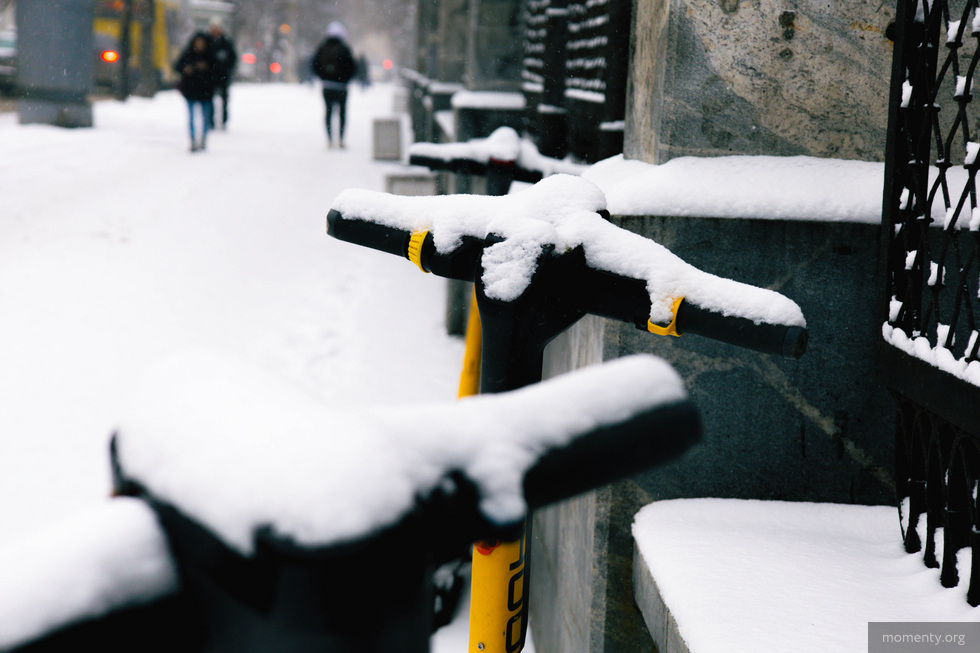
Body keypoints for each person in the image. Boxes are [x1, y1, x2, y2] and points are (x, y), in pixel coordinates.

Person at [312, 22, 356, 148]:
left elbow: (315, 65)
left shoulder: (323, 48)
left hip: (327, 86)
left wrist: (323, 77)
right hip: (342, 87)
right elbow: (352, 67)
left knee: (328, 112)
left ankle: (329, 139)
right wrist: (345, 79)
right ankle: (341, 139)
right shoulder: (345, 48)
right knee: (342, 113)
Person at [174, 32, 216, 152]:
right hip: (191, 91)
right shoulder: (188, 54)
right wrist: (186, 69)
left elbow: (217, 71)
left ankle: (203, 139)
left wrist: (206, 70)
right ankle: (192, 139)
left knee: (205, 117)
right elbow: (177, 66)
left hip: (205, 92)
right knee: (191, 117)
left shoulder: (210, 56)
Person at [207, 17, 236, 130]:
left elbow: (232, 57)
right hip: (210, 76)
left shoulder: (226, 42)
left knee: (224, 99)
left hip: (223, 75)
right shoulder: (207, 41)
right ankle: (211, 121)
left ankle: (224, 120)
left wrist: (227, 68)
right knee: (210, 99)